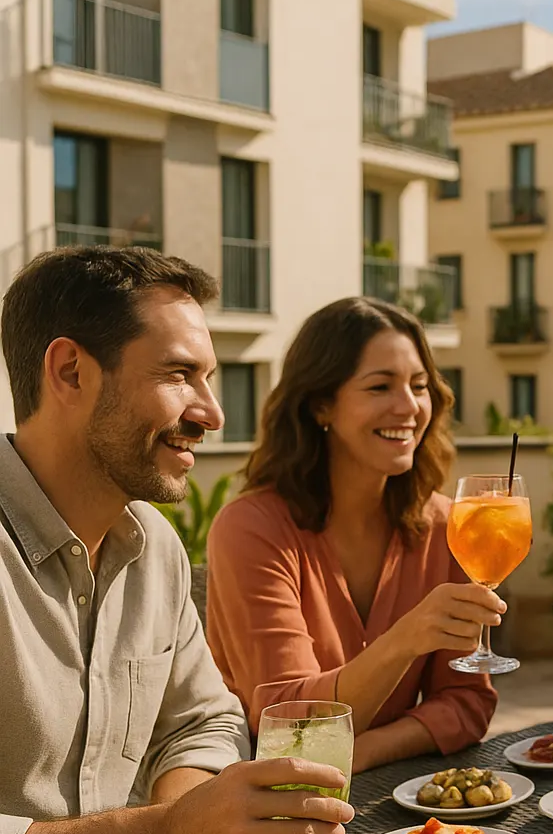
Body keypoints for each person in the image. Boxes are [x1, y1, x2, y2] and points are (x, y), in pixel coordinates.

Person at [0, 247, 353, 834]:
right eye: (178, 374)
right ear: (69, 371)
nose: (212, 413)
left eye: (209, 378)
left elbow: (204, 719)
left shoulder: (152, 547)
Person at [205, 297, 500, 774]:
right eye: (381, 386)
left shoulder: (448, 527)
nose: (408, 407)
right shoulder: (252, 529)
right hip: (276, 806)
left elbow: (466, 702)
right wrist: (405, 639)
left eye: (420, 386)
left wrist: (361, 753)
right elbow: (291, 724)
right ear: (322, 403)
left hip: (398, 800)